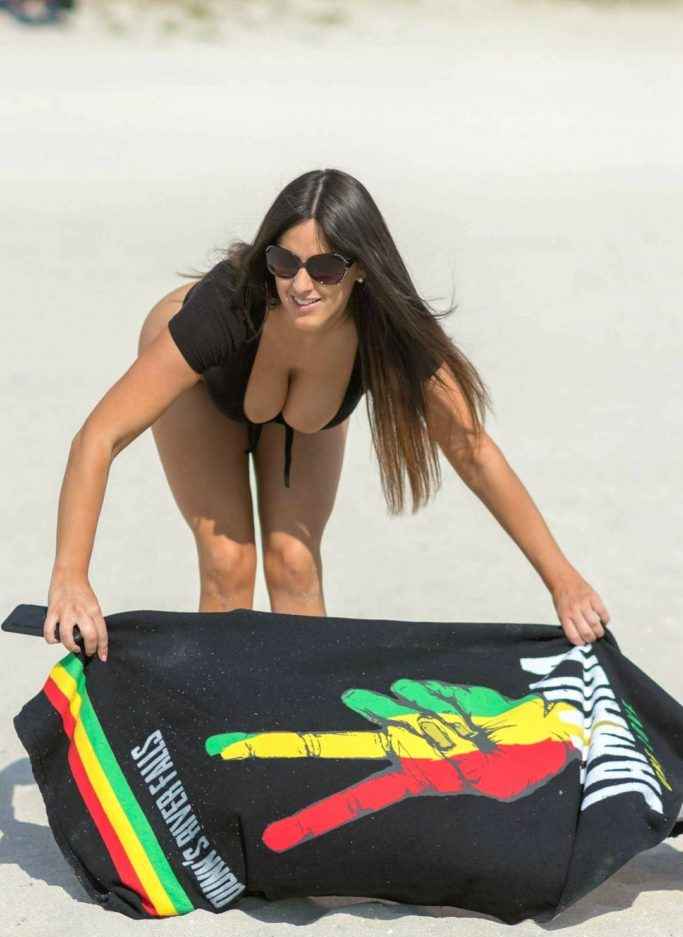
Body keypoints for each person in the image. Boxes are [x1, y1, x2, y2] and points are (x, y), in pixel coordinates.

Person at [44, 167, 610, 664]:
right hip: (205, 382)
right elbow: (98, 436)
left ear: (360, 269)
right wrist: (71, 577)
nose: (300, 284)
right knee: (228, 561)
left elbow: (472, 449)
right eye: (283, 262)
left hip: (302, 409)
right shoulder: (227, 309)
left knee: (293, 562)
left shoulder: (390, 329)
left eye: (325, 268)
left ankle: (301, 719)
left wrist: (563, 581)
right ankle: (218, 721)